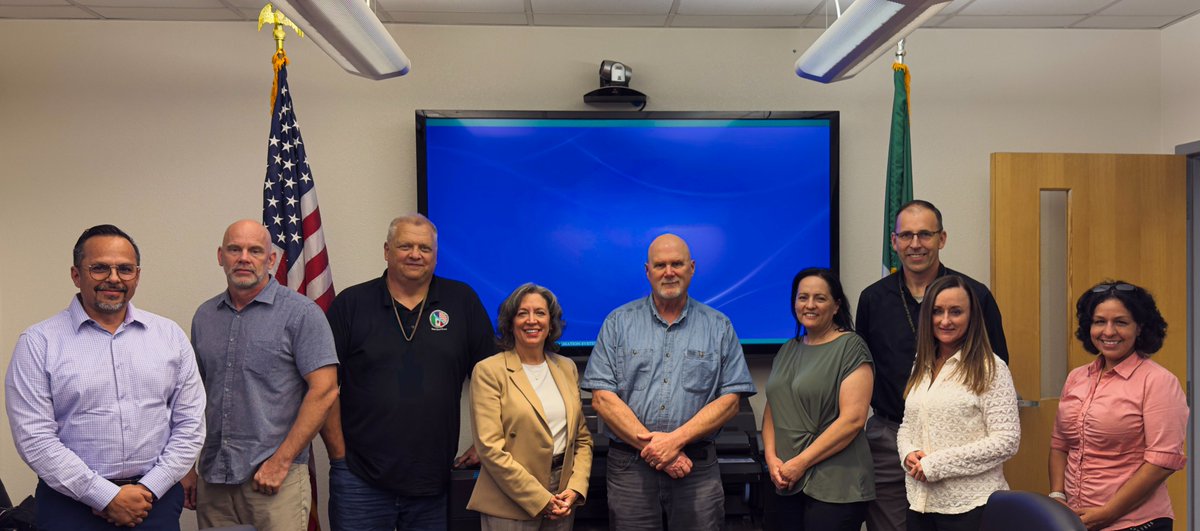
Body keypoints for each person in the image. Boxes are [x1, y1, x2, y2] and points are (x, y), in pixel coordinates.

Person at [5, 224, 205, 530]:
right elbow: (35, 438)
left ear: (137, 275)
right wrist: (104, 496)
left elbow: (190, 424)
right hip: (70, 508)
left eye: (125, 269)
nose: (113, 278)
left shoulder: (170, 337)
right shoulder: (38, 342)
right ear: (76, 274)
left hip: (153, 504)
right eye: (99, 268)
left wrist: (148, 488)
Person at [321, 213, 496, 531]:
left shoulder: (462, 301)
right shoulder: (351, 304)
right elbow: (324, 387)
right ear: (387, 251)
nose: (415, 254)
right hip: (360, 480)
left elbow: (495, 379)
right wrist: (339, 455)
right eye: (405, 246)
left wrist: (486, 444)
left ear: (435, 255)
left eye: (425, 248)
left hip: (434, 482)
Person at [580, 233, 756, 530]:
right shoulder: (617, 323)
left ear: (692, 268)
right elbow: (602, 398)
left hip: (696, 468)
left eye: (677, 264)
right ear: (648, 271)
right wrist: (659, 451)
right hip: (630, 471)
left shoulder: (719, 326)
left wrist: (674, 442)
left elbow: (729, 402)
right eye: (660, 265)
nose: (669, 272)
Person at [855, 199, 1009, 531]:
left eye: (925, 234)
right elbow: (861, 370)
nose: (915, 244)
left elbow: (995, 368)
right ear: (893, 242)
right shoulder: (872, 299)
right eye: (906, 235)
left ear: (942, 238)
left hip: (958, 442)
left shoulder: (974, 294)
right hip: (890, 437)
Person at [182, 220, 339, 530]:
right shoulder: (204, 316)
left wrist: (280, 463)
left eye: (255, 251)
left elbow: (325, 391)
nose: (244, 258)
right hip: (214, 481)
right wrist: (186, 467)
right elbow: (191, 398)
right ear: (220, 256)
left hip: (274, 481)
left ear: (271, 260)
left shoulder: (302, 313)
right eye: (234, 249)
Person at [1049, 281, 1187, 531]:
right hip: (1076, 520)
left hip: (1136, 522)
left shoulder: (1158, 382)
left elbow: (1161, 464)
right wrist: (1057, 497)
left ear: (1140, 328)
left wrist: (1107, 513)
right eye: (1099, 321)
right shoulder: (1077, 377)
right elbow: (1060, 445)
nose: (1108, 332)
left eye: (1121, 322)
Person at [895, 276, 1019, 531]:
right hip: (920, 503)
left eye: (956, 312)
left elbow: (1007, 441)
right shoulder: (923, 362)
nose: (945, 320)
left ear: (972, 316)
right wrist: (907, 453)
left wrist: (937, 464)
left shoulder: (991, 367)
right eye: (937, 311)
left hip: (971, 507)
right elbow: (908, 424)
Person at [467, 283, 593, 529]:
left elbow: (582, 440)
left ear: (551, 323)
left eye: (540, 313)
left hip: (562, 499)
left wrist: (575, 488)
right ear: (510, 322)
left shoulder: (566, 368)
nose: (531, 320)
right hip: (510, 501)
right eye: (522, 313)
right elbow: (490, 450)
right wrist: (541, 499)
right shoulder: (489, 371)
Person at [762, 268, 875, 531]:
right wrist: (771, 459)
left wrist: (800, 462)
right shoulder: (788, 348)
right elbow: (773, 409)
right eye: (803, 297)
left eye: (820, 298)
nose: (809, 305)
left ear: (836, 306)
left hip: (836, 484)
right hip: (785, 479)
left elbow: (853, 420)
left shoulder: (851, 347)